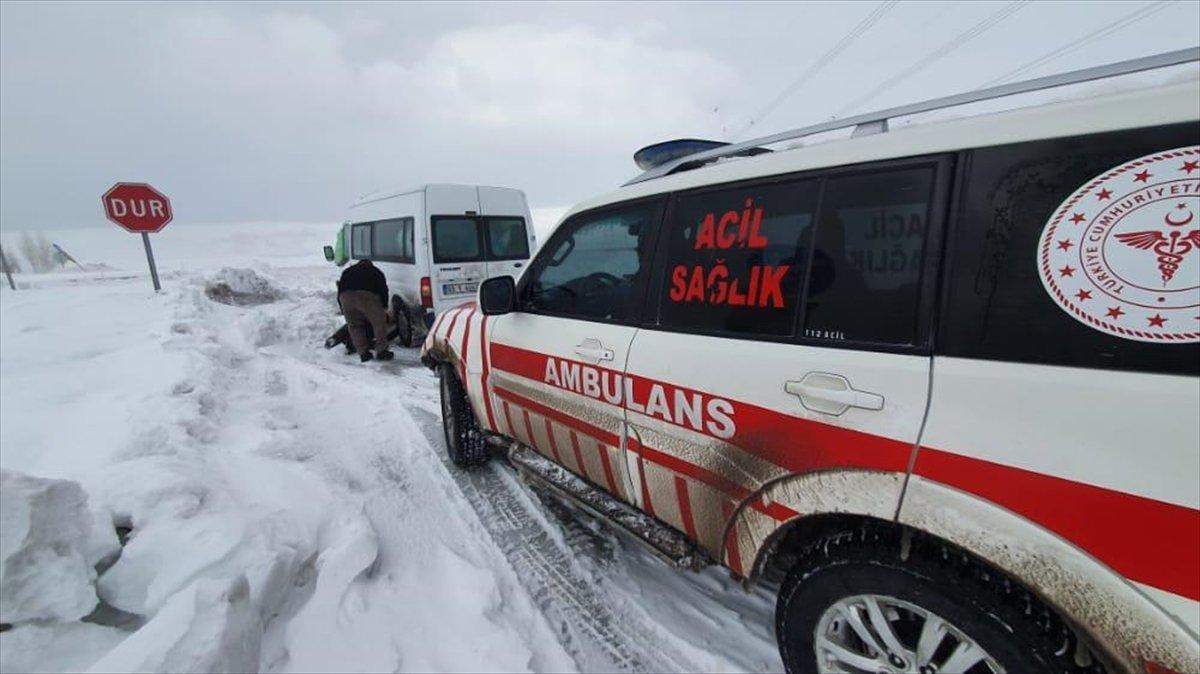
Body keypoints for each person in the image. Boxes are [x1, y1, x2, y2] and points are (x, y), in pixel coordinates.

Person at [337, 259, 394, 362]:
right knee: (379, 323)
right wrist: (384, 306)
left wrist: (342, 308)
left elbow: (340, 289)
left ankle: (363, 353)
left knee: (355, 326)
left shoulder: (347, 271)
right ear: (370, 265)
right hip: (366, 297)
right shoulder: (375, 271)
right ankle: (382, 351)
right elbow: (383, 290)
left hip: (346, 298)